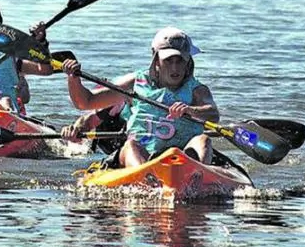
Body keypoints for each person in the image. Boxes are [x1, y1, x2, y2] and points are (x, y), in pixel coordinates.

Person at [60, 27, 219, 166]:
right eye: (168, 60)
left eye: (180, 61)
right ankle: (145, 178)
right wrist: (73, 79)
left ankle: (195, 175)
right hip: (143, 155)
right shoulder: (135, 83)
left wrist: (191, 110)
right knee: (130, 146)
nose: (175, 68)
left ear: (188, 61)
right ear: (155, 59)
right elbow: (85, 102)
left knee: (203, 140)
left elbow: (213, 114)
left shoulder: (197, 89)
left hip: (182, 155)